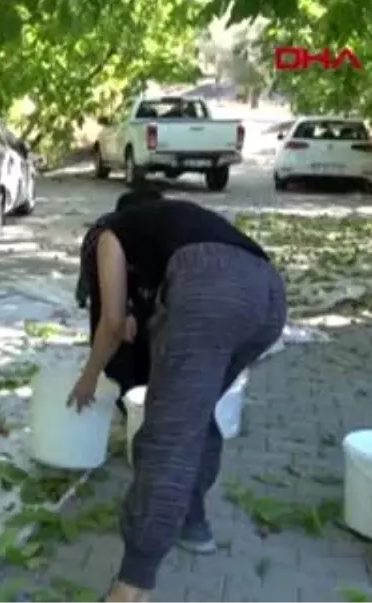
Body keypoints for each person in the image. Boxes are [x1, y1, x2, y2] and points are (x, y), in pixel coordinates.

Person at [69, 197, 286, 603]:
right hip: (268, 296)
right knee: (195, 415)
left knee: (166, 435)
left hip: (211, 290)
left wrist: (89, 376)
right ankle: (192, 520)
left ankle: (131, 587)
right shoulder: (169, 224)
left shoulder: (106, 235)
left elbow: (111, 323)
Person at [76, 189, 165, 405]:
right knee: (109, 326)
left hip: (143, 280)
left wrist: (138, 313)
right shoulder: (100, 241)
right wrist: (124, 312)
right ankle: (117, 384)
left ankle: (145, 387)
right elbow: (107, 309)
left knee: (147, 327)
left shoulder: (161, 236)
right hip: (101, 280)